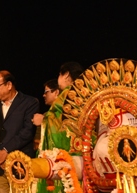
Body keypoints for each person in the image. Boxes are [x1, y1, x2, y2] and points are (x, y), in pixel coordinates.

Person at [0, 70, 40, 193]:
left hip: (20, 166)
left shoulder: (30, 103)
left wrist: (5, 151)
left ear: (9, 85)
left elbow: (27, 132)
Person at [34, 62, 83, 193]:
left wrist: (43, 120)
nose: (58, 79)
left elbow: (57, 120)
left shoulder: (68, 93)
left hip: (68, 153)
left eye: (59, 75)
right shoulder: (83, 93)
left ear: (66, 75)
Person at [32, 79, 59, 151]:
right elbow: (37, 144)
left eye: (46, 92)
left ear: (56, 92)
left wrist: (44, 120)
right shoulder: (45, 115)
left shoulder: (67, 113)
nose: (43, 95)